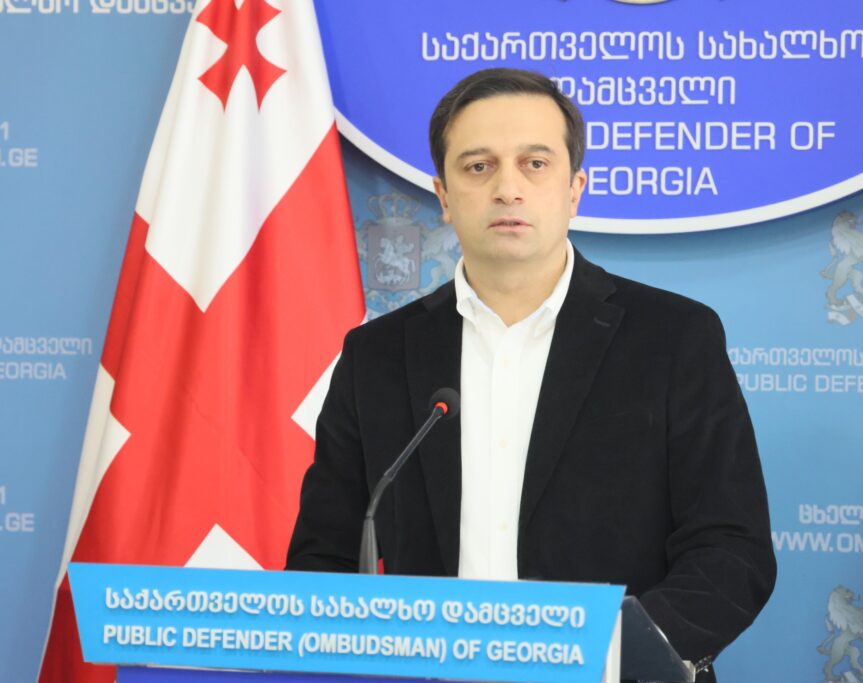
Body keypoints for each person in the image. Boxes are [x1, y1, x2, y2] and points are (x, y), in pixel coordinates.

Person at [287, 68, 775, 682]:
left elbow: (732, 549)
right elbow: (325, 556)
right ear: (443, 195)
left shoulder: (673, 337)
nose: (508, 188)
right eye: (478, 166)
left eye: (535, 164)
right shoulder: (377, 356)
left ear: (574, 189)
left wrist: (607, 654)